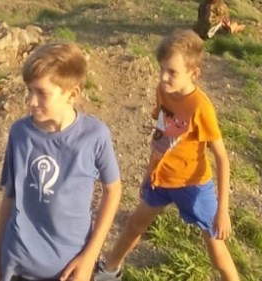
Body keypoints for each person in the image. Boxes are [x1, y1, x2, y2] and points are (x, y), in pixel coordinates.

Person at [95, 30, 239, 281]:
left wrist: (222, 210)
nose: (163, 77)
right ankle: (109, 272)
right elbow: (162, 134)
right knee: (133, 226)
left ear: (193, 73)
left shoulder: (200, 107)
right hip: (160, 180)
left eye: (172, 72)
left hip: (193, 185)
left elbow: (222, 157)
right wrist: (148, 173)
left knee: (216, 248)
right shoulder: (163, 92)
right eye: (161, 69)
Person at [0, 42, 122, 281]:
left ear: (72, 94)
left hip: (69, 269)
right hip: (17, 263)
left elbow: (113, 190)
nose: (31, 101)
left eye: (42, 93)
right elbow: (10, 197)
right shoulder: (19, 133)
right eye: (29, 90)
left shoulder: (94, 136)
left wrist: (90, 257)